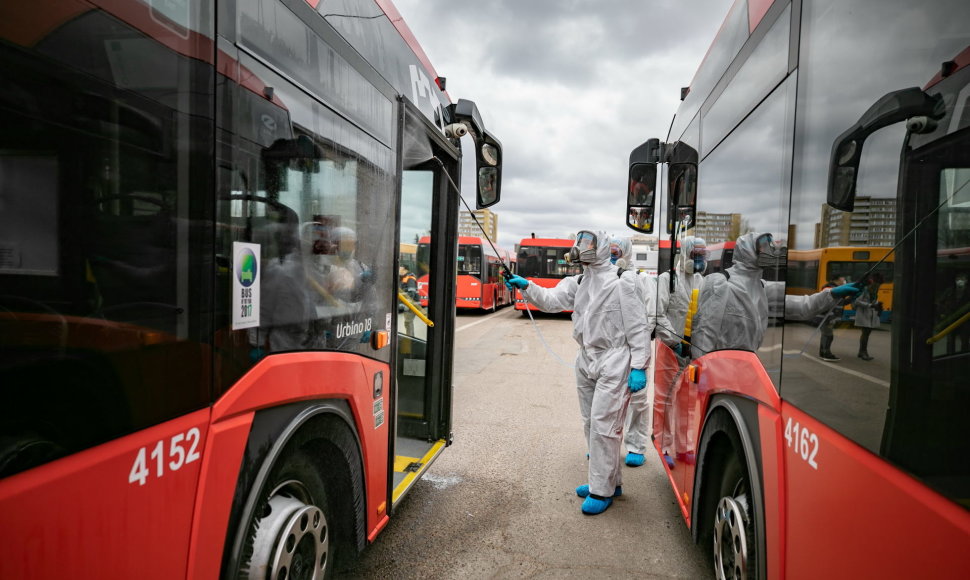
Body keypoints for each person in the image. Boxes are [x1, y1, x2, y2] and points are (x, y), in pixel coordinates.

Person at [505, 230, 650, 515]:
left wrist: (639, 367)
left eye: (588, 244)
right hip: (586, 358)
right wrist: (527, 286)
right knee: (590, 424)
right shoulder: (580, 281)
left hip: (615, 359)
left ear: (601, 248)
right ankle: (609, 481)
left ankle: (601, 490)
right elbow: (550, 301)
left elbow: (638, 328)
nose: (581, 248)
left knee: (604, 426)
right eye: (580, 243)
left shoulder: (624, 281)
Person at [692, 232, 863, 356]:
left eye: (771, 246)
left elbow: (803, 307)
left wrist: (832, 294)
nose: (771, 251)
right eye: (764, 246)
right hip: (718, 365)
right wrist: (701, 373)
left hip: (747, 364)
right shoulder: (721, 282)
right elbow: (704, 332)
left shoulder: (762, 287)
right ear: (748, 250)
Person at [651, 236, 706, 468]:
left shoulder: (701, 281)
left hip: (693, 350)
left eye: (703, 255)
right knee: (664, 398)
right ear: (685, 254)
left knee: (687, 399)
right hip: (669, 347)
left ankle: (684, 447)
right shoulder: (668, 279)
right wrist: (675, 341)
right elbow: (657, 314)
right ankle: (663, 445)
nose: (700, 260)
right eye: (696, 255)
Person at [853, 273, 883, 361]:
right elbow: (857, 302)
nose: (878, 286)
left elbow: (874, 301)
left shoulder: (874, 291)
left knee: (867, 333)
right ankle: (863, 352)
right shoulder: (865, 290)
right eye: (877, 284)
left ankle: (861, 352)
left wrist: (878, 305)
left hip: (871, 314)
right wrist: (870, 305)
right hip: (864, 314)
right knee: (865, 333)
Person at [818, 275, 847, 362]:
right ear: (837, 280)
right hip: (827, 316)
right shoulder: (829, 288)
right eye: (843, 278)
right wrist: (831, 317)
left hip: (830, 316)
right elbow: (827, 304)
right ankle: (826, 354)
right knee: (828, 335)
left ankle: (823, 353)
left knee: (826, 334)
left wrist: (852, 298)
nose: (844, 280)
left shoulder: (836, 288)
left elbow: (840, 302)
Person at [399, 264, 418, 335]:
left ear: (404, 269)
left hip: (412, 305)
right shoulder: (404, 278)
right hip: (409, 305)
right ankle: (410, 338)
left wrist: (407, 305)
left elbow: (411, 293)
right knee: (408, 323)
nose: (399, 269)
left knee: (408, 323)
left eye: (400, 267)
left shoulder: (410, 278)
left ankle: (410, 339)